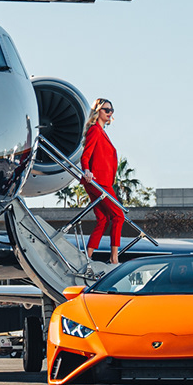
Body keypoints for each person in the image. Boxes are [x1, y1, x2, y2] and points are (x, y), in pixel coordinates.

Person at [80, 98, 123, 263]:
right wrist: (86, 170)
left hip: (102, 181)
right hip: (99, 181)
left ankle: (88, 256)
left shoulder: (102, 131)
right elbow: (86, 155)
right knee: (119, 215)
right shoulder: (95, 130)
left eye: (111, 110)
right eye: (106, 109)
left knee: (103, 219)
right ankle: (114, 257)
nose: (110, 113)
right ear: (97, 111)